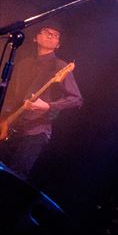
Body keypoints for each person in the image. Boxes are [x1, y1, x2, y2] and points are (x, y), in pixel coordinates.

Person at [0, 23, 82, 182]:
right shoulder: (23, 64)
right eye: (46, 32)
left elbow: (76, 99)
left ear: (58, 45)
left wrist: (49, 106)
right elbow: (11, 96)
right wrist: (4, 119)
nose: (51, 36)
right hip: (10, 126)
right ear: (35, 38)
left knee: (15, 178)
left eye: (55, 35)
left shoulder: (60, 66)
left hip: (36, 131)